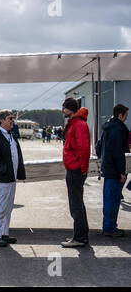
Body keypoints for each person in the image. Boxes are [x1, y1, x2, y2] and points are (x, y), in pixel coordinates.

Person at [0, 110, 26, 247]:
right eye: (10, 118)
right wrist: (5, 170)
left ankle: (3, 234)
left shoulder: (11, 136)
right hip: (1, 180)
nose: (12, 121)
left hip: (10, 179)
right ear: (1, 121)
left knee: (7, 208)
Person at [60, 98, 91, 248]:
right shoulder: (75, 124)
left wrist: (82, 169)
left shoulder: (79, 125)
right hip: (75, 169)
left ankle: (80, 237)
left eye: (64, 108)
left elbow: (84, 149)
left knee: (76, 204)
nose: (62, 110)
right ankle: (81, 235)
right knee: (77, 204)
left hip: (76, 170)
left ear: (70, 109)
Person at [96, 104, 129, 237]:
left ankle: (108, 226)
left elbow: (98, 147)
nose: (126, 119)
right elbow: (118, 153)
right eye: (126, 116)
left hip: (108, 169)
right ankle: (110, 228)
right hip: (114, 171)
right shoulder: (117, 130)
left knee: (109, 199)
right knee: (113, 200)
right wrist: (122, 171)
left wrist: (104, 160)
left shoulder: (108, 128)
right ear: (120, 115)